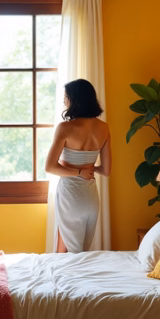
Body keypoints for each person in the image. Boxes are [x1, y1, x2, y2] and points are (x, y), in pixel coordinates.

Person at [44, 78, 111, 253]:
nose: (64, 101)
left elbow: (50, 167)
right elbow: (106, 170)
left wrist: (79, 171)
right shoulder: (104, 128)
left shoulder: (65, 128)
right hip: (90, 198)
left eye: (66, 97)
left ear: (75, 100)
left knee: (65, 253)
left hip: (71, 196)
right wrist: (89, 168)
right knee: (82, 255)